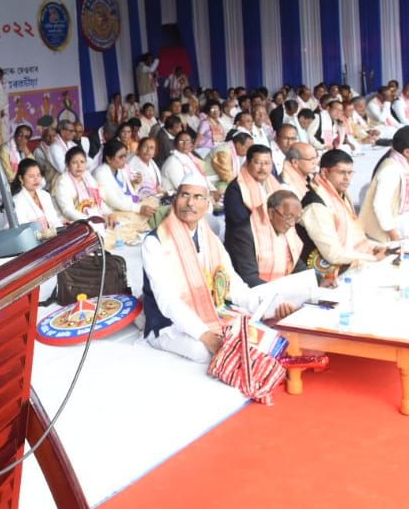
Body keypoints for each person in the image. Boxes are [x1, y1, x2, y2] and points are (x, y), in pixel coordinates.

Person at [139, 172, 296, 364]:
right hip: (167, 322)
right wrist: (205, 335)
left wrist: (269, 307)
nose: (190, 203)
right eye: (185, 195)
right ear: (175, 200)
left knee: (256, 332)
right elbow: (168, 302)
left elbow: (233, 284)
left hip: (211, 310)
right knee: (201, 351)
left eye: (198, 197)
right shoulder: (156, 241)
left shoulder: (209, 238)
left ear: (207, 205)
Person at [298, 149, 387, 273]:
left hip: (344, 262)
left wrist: (373, 247)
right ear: (324, 172)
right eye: (341, 172)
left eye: (350, 173)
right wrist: (372, 258)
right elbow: (333, 255)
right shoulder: (316, 205)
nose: (347, 178)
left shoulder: (339, 195)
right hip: (324, 273)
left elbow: (352, 234)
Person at [222, 145, 298, 287]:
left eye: (267, 163)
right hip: (245, 242)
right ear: (248, 163)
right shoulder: (236, 188)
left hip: (275, 234)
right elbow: (241, 223)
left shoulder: (274, 184)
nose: (263, 168)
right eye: (258, 163)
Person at [360, 126, 409, 243]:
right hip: (386, 230)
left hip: (399, 218)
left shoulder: (404, 163)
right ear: (407, 152)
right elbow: (380, 206)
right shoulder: (391, 169)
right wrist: (394, 236)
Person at [93, 139, 157, 218]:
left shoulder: (120, 169)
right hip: (110, 213)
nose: (124, 160)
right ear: (109, 159)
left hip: (125, 209)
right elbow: (114, 201)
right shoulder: (100, 173)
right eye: (120, 157)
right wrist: (139, 208)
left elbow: (129, 191)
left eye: (125, 156)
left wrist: (136, 183)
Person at [53, 146, 116, 225]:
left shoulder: (87, 176)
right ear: (67, 165)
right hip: (75, 224)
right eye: (74, 162)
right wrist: (90, 220)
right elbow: (67, 210)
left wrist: (109, 213)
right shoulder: (63, 182)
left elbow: (98, 200)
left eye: (82, 162)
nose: (79, 166)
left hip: (95, 219)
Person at [9, 158, 63, 234]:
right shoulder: (16, 201)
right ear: (21, 178)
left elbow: (55, 221)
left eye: (38, 175)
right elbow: (22, 231)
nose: (36, 179)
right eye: (31, 176)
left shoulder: (45, 195)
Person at [0, 123, 31, 202]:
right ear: (15, 135)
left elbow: (34, 167)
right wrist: (27, 180)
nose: (22, 139)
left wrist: (27, 152)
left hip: (15, 182)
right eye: (20, 135)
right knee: (23, 188)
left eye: (26, 137)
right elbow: (10, 176)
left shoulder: (22, 149)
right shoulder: (4, 149)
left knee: (40, 182)